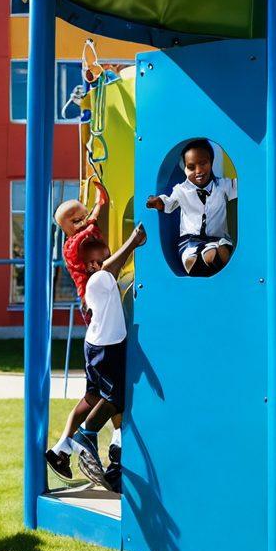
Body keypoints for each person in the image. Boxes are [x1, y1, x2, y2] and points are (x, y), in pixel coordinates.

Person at [45, 226, 146, 492]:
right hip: (107, 348)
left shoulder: (95, 282)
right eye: (106, 256)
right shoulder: (99, 279)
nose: (112, 257)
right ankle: (87, 433)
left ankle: (62, 449)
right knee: (115, 398)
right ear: (94, 263)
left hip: (95, 345)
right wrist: (133, 242)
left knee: (92, 397)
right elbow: (111, 268)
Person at [146, 138, 237, 276]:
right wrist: (158, 202)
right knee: (194, 256)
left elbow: (243, 186)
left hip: (216, 238)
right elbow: (169, 204)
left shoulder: (223, 185)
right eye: (191, 167)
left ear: (211, 162)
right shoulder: (181, 190)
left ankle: (212, 256)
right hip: (189, 240)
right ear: (184, 168)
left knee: (219, 250)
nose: (198, 171)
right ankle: (198, 259)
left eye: (203, 163)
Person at [54, 180, 109, 302]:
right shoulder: (70, 247)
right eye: (77, 221)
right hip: (90, 296)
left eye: (85, 216)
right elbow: (85, 233)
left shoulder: (88, 234)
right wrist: (97, 208)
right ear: (65, 228)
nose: (84, 222)